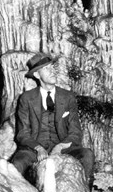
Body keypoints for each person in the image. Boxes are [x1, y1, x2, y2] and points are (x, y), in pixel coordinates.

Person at [11, 53, 94, 184]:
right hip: (34, 149)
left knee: (87, 155)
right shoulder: (27, 98)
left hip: (63, 147)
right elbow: (23, 134)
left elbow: (75, 131)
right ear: (37, 75)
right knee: (18, 163)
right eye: (46, 69)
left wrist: (60, 147)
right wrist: (38, 148)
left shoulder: (68, 97)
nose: (52, 71)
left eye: (52, 67)